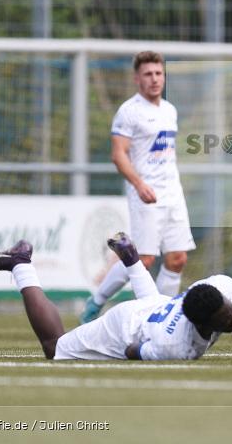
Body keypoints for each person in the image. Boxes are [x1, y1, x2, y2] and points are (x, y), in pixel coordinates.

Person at [0, 234, 232, 361]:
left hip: (158, 307)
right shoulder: (176, 347)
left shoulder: (219, 291)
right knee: (54, 348)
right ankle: (21, 264)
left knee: (154, 302)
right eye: (226, 319)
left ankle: (131, 260)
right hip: (126, 326)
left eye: (229, 311)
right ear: (205, 324)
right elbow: (132, 351)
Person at [80, 51, 196, 323]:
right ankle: (97, 300)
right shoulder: (129, 112)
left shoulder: (169, 110)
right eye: (148, 74)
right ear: (137, 79)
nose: (154, 79)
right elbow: (118, 154)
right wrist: (139, 184)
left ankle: (164, 315)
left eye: (158, 73)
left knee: (177, 258)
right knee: (143, 260)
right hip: (144, 193)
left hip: (172, 194)